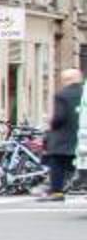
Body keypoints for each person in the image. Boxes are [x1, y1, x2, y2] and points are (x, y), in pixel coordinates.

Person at [43, 67, 82, 200]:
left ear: (66, 80)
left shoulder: (62, 95)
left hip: (64, 138)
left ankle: (57, 191)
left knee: (57, 162)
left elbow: (59, 117)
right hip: (82, 137)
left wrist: (51, 123)